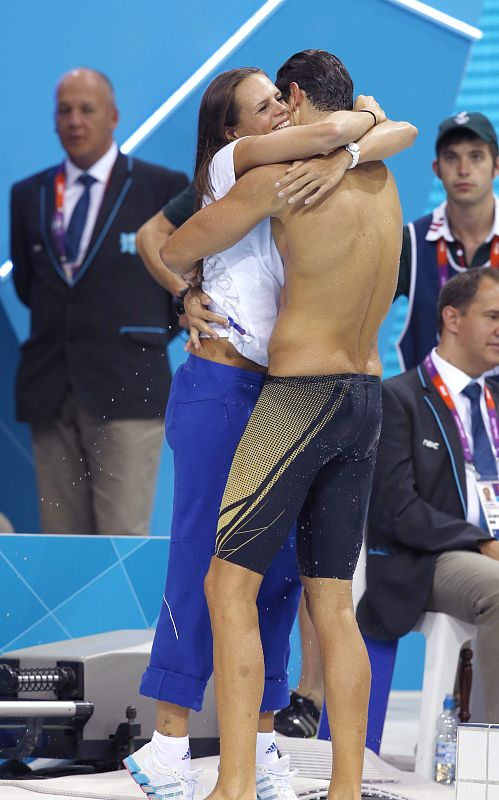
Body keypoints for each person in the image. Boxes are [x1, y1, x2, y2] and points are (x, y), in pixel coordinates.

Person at [126, 61, 415, 800]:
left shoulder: (281, 181)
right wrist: (191, 296)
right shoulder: (384, 182)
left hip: (294, 397)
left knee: (229, 582)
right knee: (328, 600)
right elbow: (384, 129)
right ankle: (339, 787)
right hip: (363, 396)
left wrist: (188, 278)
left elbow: (179, 244)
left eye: (275, 103)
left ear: (292, 101)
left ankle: (234, 784)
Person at [10, 68, 188, 536]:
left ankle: (119, 618)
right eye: (64, 110)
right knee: (62, 551)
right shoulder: (28, 195)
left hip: (129, 387)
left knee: (120, 547)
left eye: (86, 109)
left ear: (113, 117)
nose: (74, 120)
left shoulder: (161, 188)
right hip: (51, 390)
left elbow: (181, 284)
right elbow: (32, 288)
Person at [357, 268, 499, 724]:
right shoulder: (399, 399)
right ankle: (490, 744)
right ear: (452, 318)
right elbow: (397, 510)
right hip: (429, 556)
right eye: (493, 316)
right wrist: (480, 541)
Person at [395, 112, 499, 371]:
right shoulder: (411, 244)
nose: (464, 170)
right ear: (437, 169)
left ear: (496, 167)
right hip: (432, 407)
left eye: (476, 156)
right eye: (452, 158)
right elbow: (357, 321)